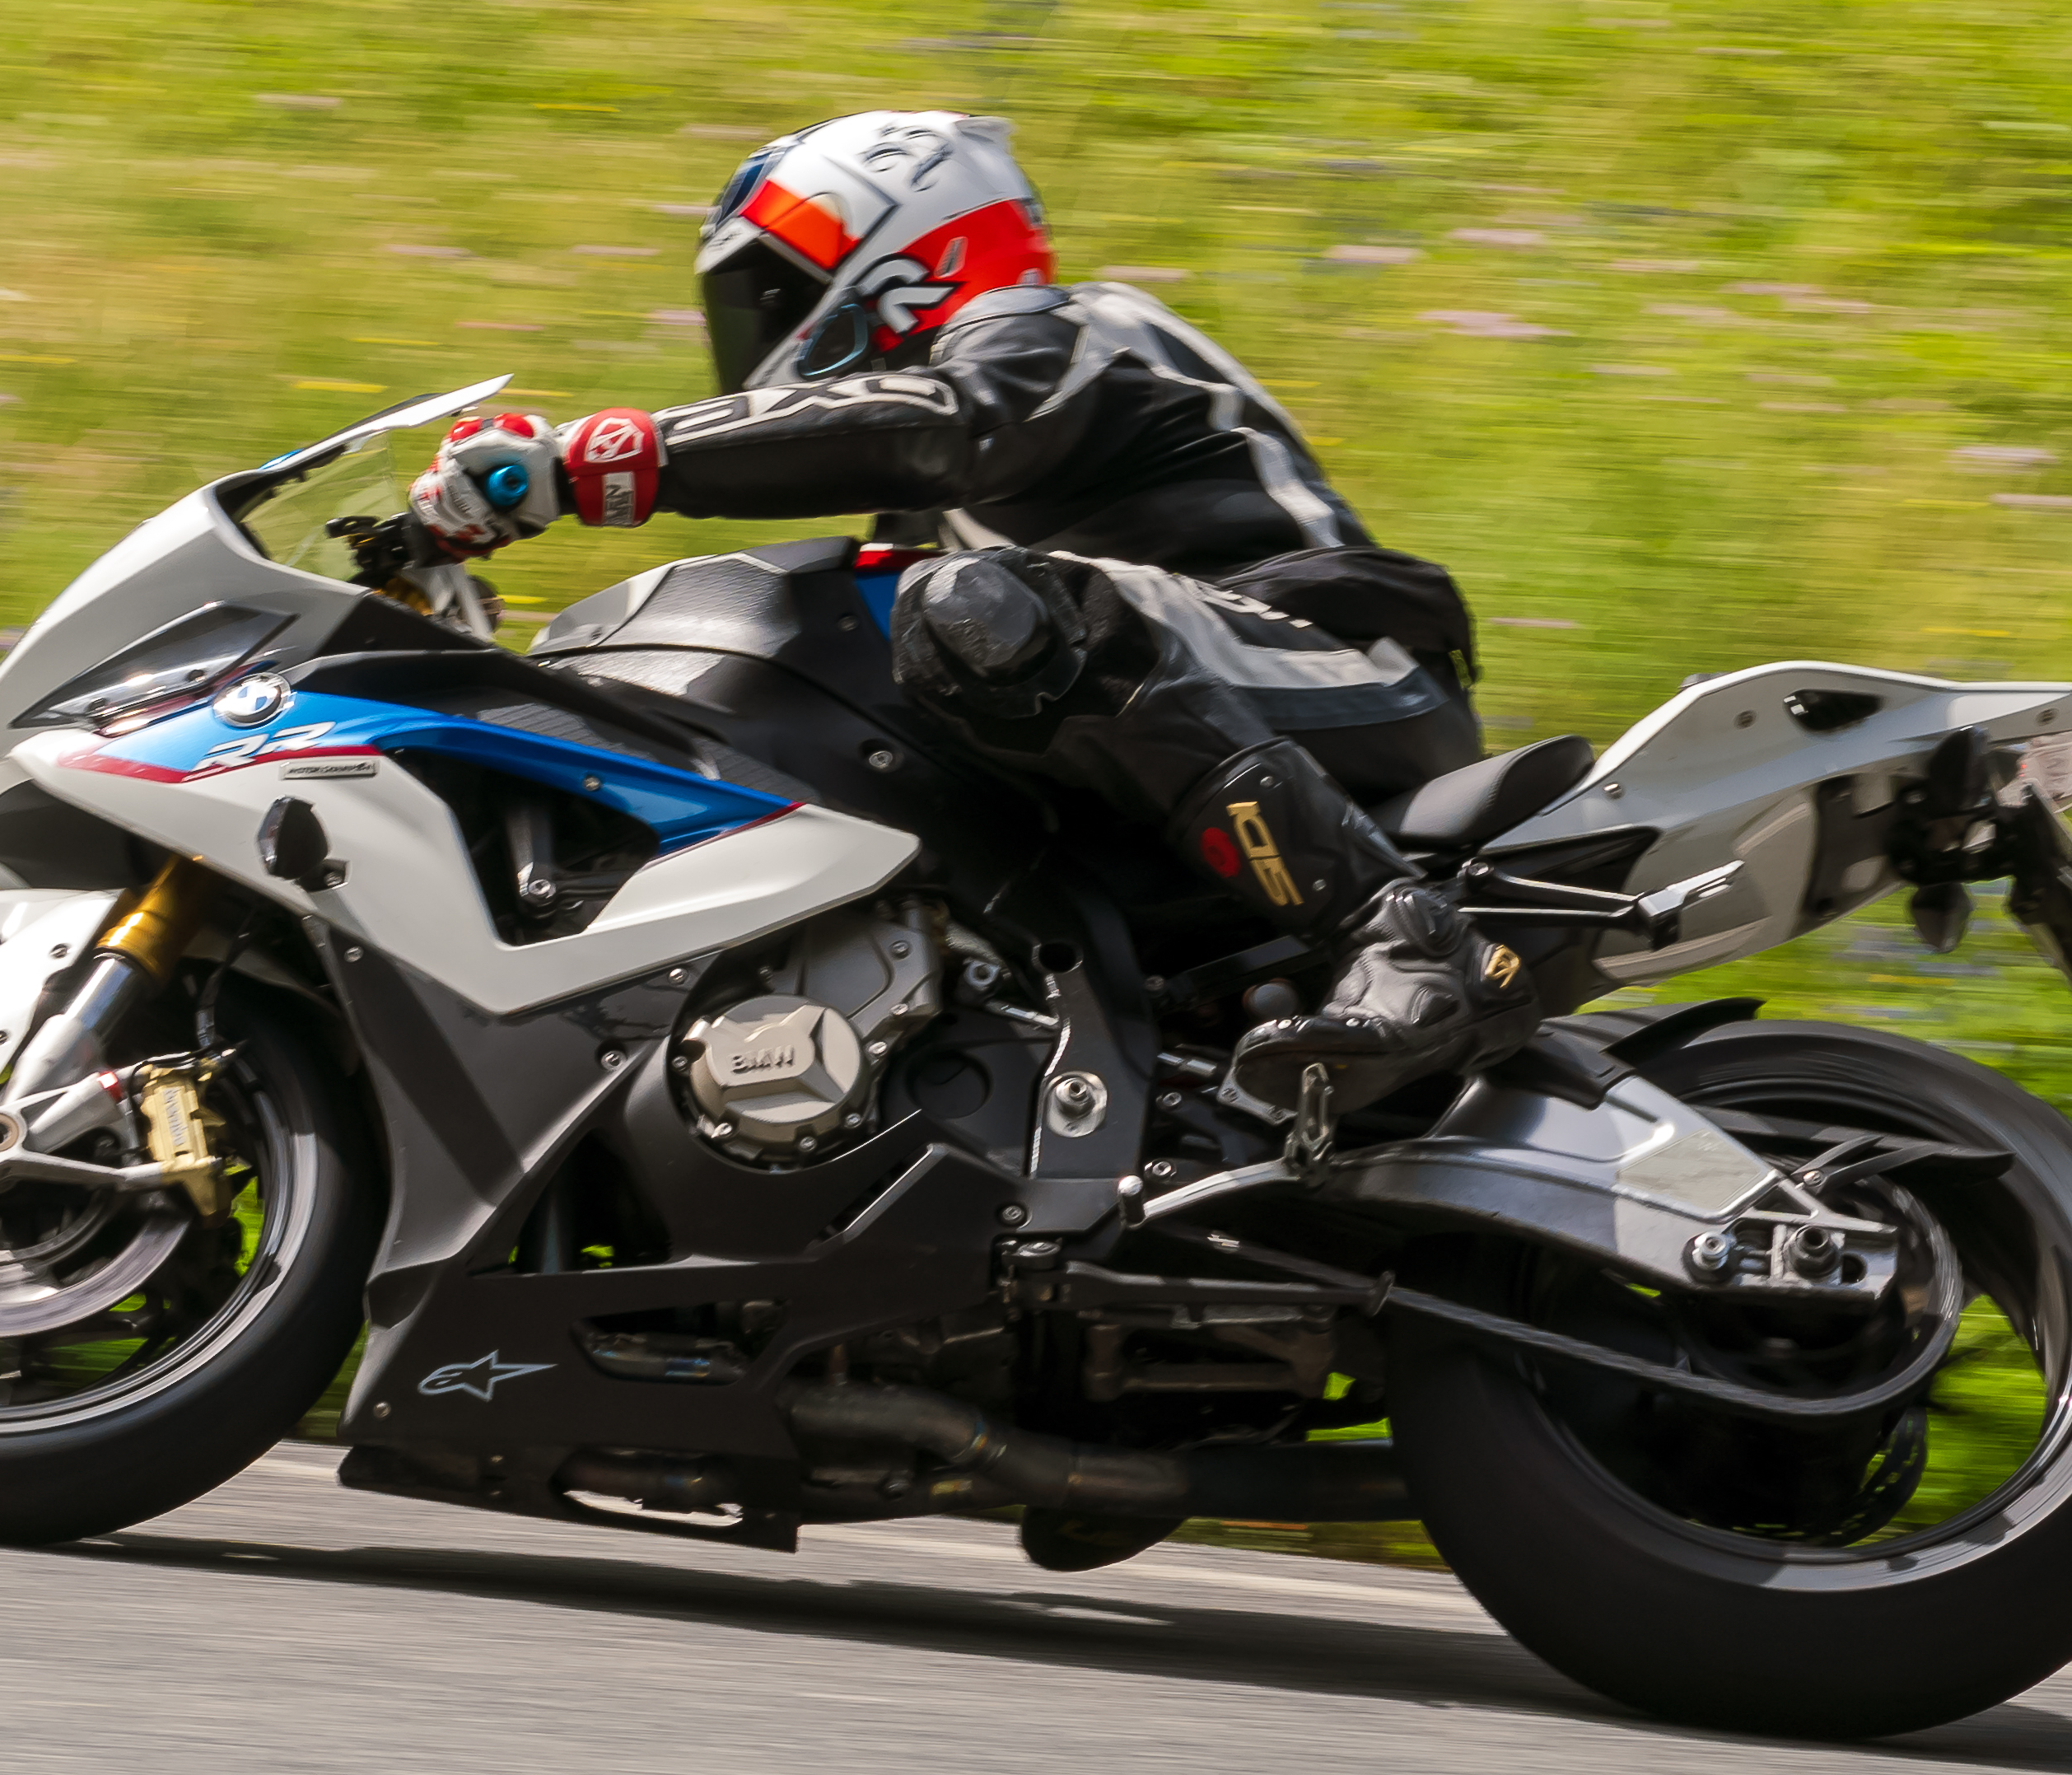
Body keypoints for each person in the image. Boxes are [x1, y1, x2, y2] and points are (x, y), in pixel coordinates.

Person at [402, 109, 1537, 1114]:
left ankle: (1409, 940)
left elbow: (952, 420)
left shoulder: (1059, 331)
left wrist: (597, 460)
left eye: (770, 292)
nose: (752, 341)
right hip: (1206, 719)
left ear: (904, 258)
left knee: (973, 607)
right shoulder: (930, 508)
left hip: (1345, 667)